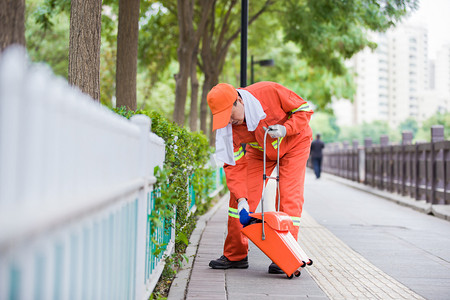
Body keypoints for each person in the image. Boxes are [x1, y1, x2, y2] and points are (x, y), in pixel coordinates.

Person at [206, 81, 313, 274]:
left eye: (230, 116)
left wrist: (286, 129)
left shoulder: (268, 92)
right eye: (224, 119)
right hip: (260, 150)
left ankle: (286, 256)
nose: (230, 122)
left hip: (294, 144)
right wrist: (241, 199)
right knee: (238, 201)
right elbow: (233, 163)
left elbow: (304, 110)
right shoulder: (227, 129)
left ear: (238, 101)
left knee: (290, 198)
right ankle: (235, 254)